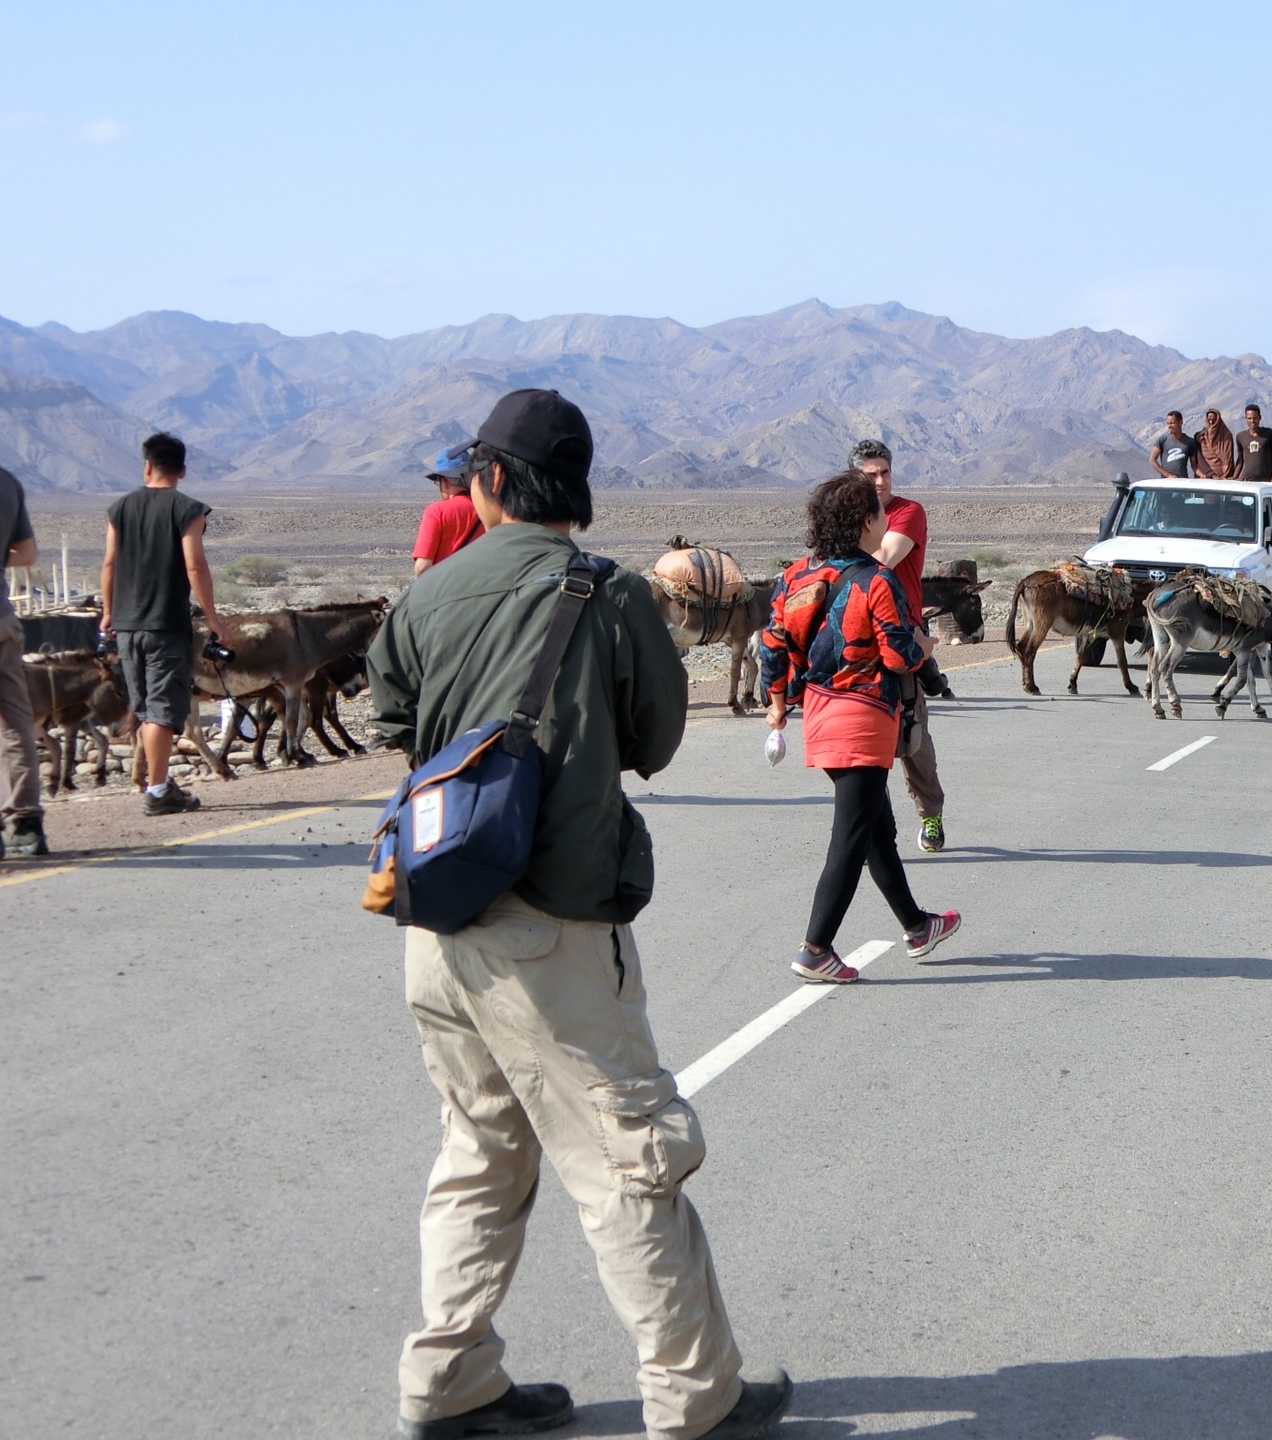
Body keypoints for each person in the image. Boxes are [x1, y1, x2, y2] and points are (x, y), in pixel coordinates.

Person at [367, 389, 792, 1440]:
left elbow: (390, 718)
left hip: (437, 920)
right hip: (551, 930)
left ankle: (449, 1382)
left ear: (495, 483)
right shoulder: (607, 595)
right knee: (627, 1158)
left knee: (477, 1152)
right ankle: (699, 1404)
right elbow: (655, 738)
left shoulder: (426, 595)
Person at [761, 471, 961, 982]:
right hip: (864, 716)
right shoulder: (876, 580)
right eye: (879, 515)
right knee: (852, 836)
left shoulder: (795, 576)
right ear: (866, 522)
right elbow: (897, 656)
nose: (884, 522)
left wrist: (777, 703)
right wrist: (926, 649)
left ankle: (918, 926)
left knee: (876, 828)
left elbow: (773, 644)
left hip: (821, 715)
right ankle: (815, 949)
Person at [99, 432, 229, 816]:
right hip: (165, 626)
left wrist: (108, 612)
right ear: (183, 471)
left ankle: (156, 781)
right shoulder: (188, 509)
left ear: (147, 466)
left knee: (142, 706)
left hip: (126, 625)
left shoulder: (119, 508)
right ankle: (157, 790)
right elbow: (195, 565)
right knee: (160, 709)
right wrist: (212, 617)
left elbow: (109, 563)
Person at [850, 438, 952, 852]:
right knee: (861, 742)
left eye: (885, 472)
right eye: (870, 474)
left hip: (901, 636)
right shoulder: (848, 515)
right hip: (855, 639)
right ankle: (873, 829)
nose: (879, 481)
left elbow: (883, 560)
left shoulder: (907, 513)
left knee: (912, 737)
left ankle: (931, 814)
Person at [0, 456, 44, 859]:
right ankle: (26, 823)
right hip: (2, 621)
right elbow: (26, 553)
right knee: (14, 722)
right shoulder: (5, 482)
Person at [412, 441, 485, 574]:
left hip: (446, 591)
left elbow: (422, 567)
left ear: (445, 482)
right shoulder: (490, 508)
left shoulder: (437, 511)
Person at [1149, 412, 1200, 478]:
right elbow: (1152, 460)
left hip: (1182, 482)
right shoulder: (1163, 439)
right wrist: (1167, 475)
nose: (1169, 426)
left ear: (1180, 422)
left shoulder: (1190, 442)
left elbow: (1194, 465)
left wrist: (1202, 475)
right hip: (1166, 482)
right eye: (1168, 423)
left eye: (1172, 423)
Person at [1236, 406, 1272, 483]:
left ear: (1260, 417)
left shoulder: (1269, 434)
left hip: (1266, 481)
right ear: (1245, 418)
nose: (1252, 421)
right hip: (1247, 480)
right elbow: (1240, 460)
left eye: (1255, 418)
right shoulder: (1240, 436)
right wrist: (1235, 477)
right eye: (1249, 418)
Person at [1192, 408, 1237, 479]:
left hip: (1222, 475)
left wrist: (1224, 476)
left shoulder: (1226, 436)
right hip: (1205, 475)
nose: (1212, 422)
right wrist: (1210, 474)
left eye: (1214, 420)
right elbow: (1198, 458)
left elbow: (1228, 459)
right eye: (1209, 420)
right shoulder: (1200, 437)